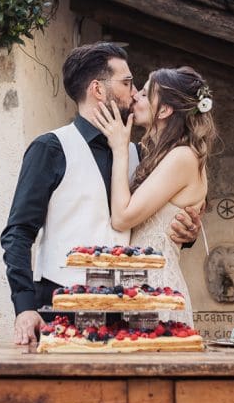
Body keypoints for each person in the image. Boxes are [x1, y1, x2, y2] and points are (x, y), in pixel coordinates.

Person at [1, 43, 203, 345]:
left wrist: (187, 234)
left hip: (129, 310)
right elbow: (18, 232)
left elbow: (155, 218)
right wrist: (24, 306)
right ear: (97, 89)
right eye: (127, 83)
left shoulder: (139, 154)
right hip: (61, 305)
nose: (134, 93)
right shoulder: (50, 148)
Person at [90, 67, 218, 325]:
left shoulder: (183, 157)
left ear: (164, 110)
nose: (135, 95)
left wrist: (119, 149)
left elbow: (122, 218)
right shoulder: (162, 154)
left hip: (157, 291)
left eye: (145, 93)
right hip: (137, 289)